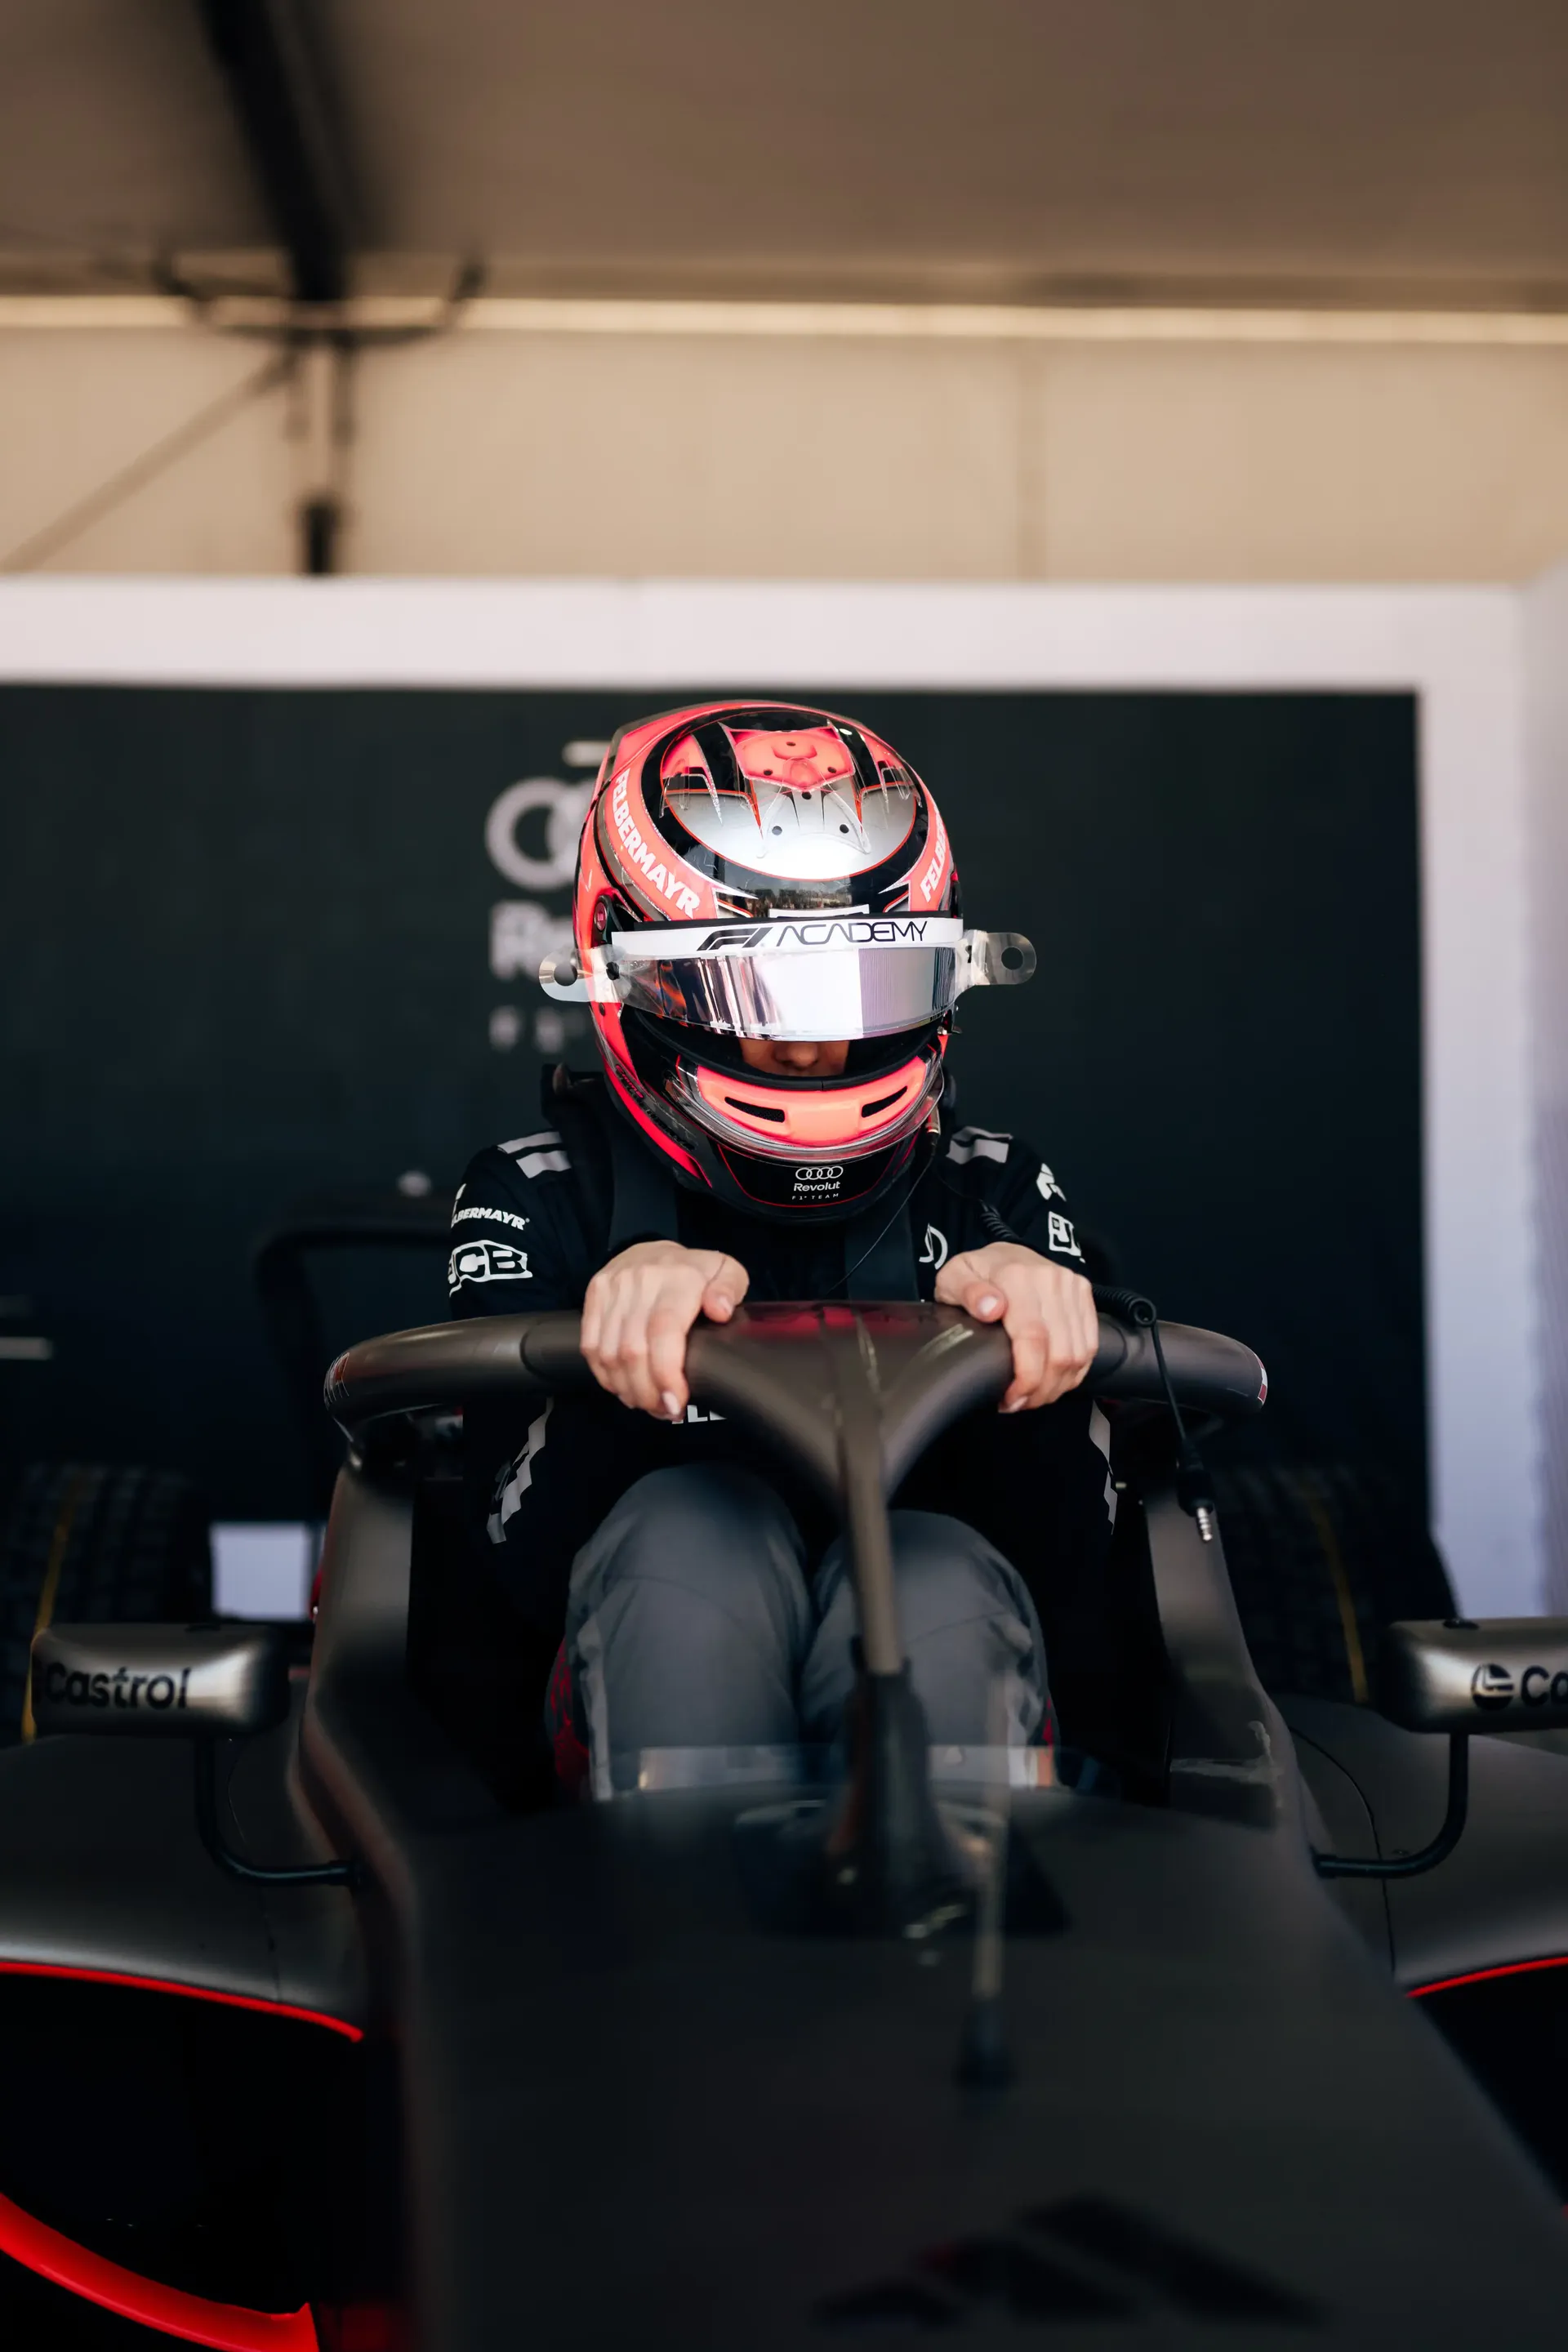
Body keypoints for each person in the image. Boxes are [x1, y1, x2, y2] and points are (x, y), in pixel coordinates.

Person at [449, 702, 1115, 1796]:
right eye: (759, 998)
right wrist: (607, 1348)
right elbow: (495, 1584)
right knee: (690, 1536)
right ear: (633, 982)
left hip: (958, 1667)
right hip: (579, 1777)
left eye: (865, 990)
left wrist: (1037, 1351)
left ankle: (946, 1939)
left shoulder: (996, 1189)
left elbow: (1086, 1577)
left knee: (931, 1571)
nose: (815, 1045)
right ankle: (683, 1930)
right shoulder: (539, 1193)